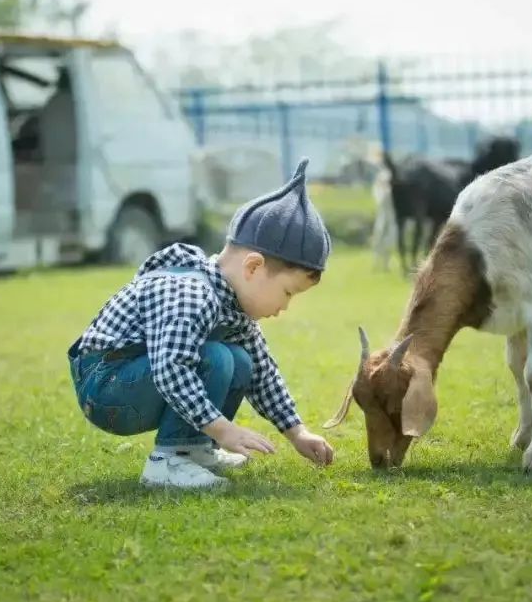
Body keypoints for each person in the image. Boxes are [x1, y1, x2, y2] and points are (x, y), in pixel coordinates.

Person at [67, 159, 336, 488]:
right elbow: (171, 367)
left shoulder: (233, 304)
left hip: (139, 377)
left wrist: (297, 432)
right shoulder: (192, 294)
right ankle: (167, 462)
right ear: (253, 267)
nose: (284, 307)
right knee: (216, 357)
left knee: (241, 359)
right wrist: (224, 429)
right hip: (106, 386)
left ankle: (194, 449)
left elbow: (263, 372)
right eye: (287, 293)